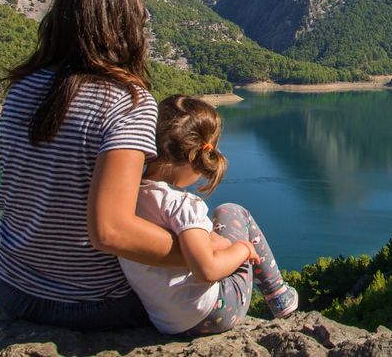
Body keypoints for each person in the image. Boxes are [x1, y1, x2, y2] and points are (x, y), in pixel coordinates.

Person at [0, 0, 187, 330]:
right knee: (230, 255)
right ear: (126, 24)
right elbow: (110, 230)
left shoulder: (21, 88)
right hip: (94, 304)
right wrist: (195, 253)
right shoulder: (128, 103)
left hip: (11, 287)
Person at [119, 95, 298, 335]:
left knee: (217, 234)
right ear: (196, 157)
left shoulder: (124, 199)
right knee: (232, 212)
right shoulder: (183, 204)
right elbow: (207, 271)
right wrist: (242, 250)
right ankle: (280, 296)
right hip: (215, 313)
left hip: (164, 321)